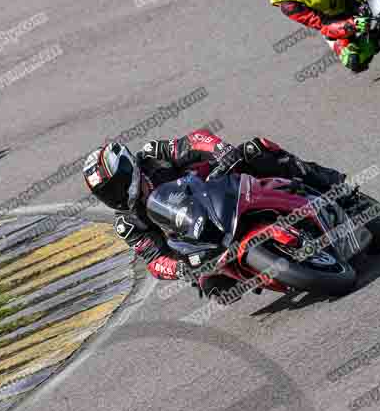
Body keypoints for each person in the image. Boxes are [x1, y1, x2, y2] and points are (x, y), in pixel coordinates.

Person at [82, 129, 355, 303]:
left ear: (129, 168)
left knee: (256, 149)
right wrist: (179, 269)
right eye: (107, 194)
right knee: (216, 290)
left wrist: (221, 152)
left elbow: (195, 140)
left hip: (223, 189)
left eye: (117, 185)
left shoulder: (153, 156)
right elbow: (154, 261)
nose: (115, 196)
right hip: (202, 244)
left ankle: (334, 187)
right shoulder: (127, 223)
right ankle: (276, 266)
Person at [267, 0, 380, 73]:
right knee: (353, 60)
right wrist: (352, 24)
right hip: (334, 17)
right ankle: (376, 37)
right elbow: (321, 24)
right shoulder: (286, 1)